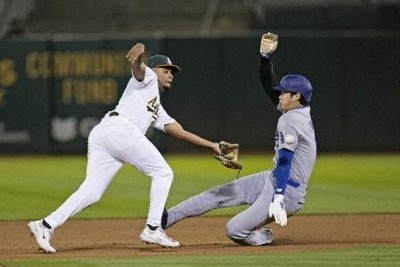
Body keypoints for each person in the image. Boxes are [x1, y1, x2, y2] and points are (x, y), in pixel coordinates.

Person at [27, 43, 222, 253]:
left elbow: (180, 132)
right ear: (154, 70)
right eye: (166, 70)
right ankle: (153, 227)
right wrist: (139, 56)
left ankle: (45, 224)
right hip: (120, 129)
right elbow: (138, 69)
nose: (170, 74)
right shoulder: (147, 79)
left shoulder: (156, 106)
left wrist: (211, 145)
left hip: (104, 133)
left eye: (172, 72)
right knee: (162, 172)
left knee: (92, 192)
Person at [161, 33, 317, 246]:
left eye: (284, 93)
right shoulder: (299, 109)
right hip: (273, 179)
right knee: (216, 195)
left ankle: (263, 236)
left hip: (287, 191)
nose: (279, 95)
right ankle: (166, 219)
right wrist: (264, 57)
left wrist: (278, 196)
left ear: (296, 96)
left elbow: (284, 161)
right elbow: (269, 87)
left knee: (234, 230)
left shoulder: (291, 122)